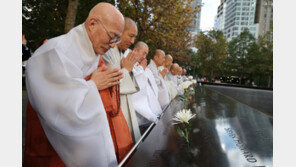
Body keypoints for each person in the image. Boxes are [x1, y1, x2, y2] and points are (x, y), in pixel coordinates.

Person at [24, 2, 133, 166]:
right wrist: (92, 85)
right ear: (92, 24)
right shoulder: (54, 52)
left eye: (117, 39)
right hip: (51, 146)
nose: (112, 45)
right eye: (112, 36)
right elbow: (58, 107)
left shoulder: (95, 51)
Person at [103, 17, 142, 142]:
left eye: (134, 38)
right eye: (131, 36)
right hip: (114, 113)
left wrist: (128, 70)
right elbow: (109, 84)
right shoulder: (107, 51)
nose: (132, 41)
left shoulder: (120, 53)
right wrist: (126, 70)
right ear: (120, 31)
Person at [130, 41, 162, 134]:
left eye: (146, 54)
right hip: (136, 113)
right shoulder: (129, 62)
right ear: (135, 50)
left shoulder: (139, 65)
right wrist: (142, 69)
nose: (145, 57)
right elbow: (136, 84)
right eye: (144, 53)